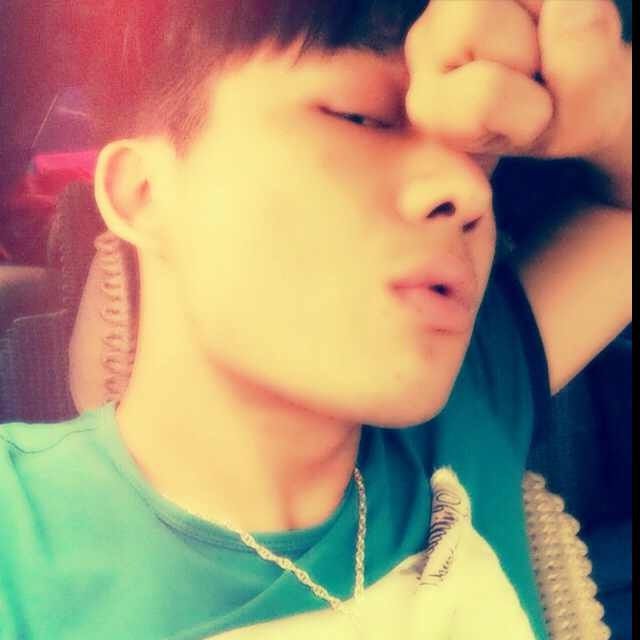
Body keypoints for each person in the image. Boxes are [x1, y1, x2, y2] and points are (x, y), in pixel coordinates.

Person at [0, 1, 631, 638]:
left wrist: (605, 114)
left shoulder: (476, 392)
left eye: (480, 157)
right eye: (360, 118)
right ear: (144, 192)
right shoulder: (19, 540)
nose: (468, 192)